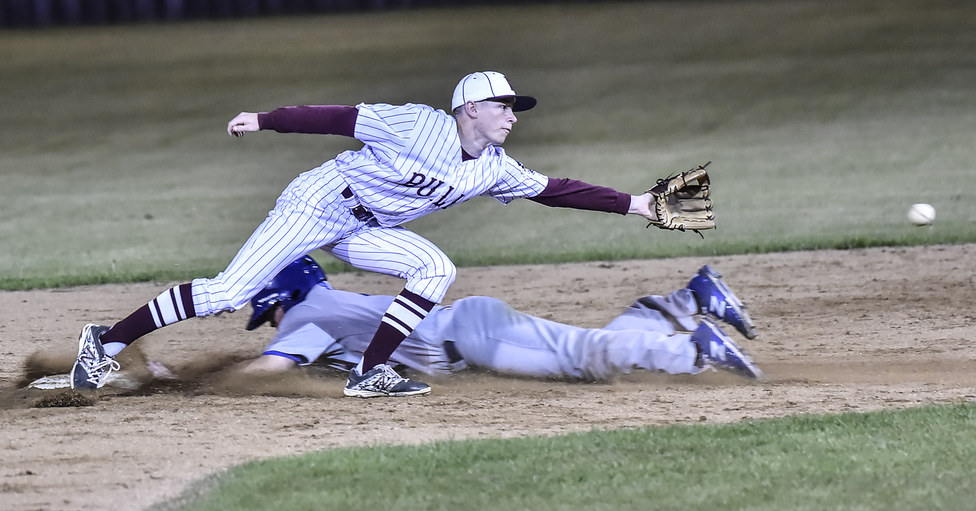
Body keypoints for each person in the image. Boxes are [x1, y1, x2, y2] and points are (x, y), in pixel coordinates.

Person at [70, 71, 669, 397]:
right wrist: (264, 120)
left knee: (435, 269)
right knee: (227, 292)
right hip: (319, 202)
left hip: (367, 227)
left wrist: (637, 204)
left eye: (515, 107)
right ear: (469, 110)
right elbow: (336, 118)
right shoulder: (415, 123)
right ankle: (105, 342)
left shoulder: (494, 167)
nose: (513, 114)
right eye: (503, 105)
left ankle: (370, 371)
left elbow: (558, 188)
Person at [234, 257, 761, 384]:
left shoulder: (304, 316)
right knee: (585, 352)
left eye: (269, 307)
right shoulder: (328, 304)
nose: (271, 318)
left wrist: (203, 381)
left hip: (472, 338)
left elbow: (270, 370)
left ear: (281, 295)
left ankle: (693, 349)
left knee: (585, 361)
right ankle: (682, 304)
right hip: (469, 328)